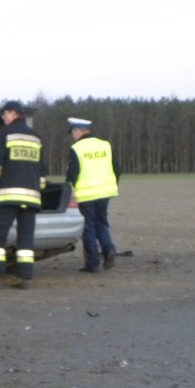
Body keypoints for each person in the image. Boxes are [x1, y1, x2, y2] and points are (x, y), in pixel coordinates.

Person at [0, 101, 47, 290]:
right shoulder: (36, 137)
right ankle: (25, 278)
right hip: (31, 198)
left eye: (5, 113)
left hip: (7, 195)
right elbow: (42, 171)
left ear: (13, 113)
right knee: (25, 237)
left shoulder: (3, 134)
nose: (2, 117)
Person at [66, 117, 120, 273]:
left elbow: (72, 174)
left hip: (86, 194)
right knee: (101, 223)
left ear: (78, 131)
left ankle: (92, 262)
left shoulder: (76, 149)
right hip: (105, 192)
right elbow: (117, 168)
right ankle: (109, 249)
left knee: (88, 228)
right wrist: (113, 184)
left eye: (73, 132)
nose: (72, 136)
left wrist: (68, 190)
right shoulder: (105, 145)